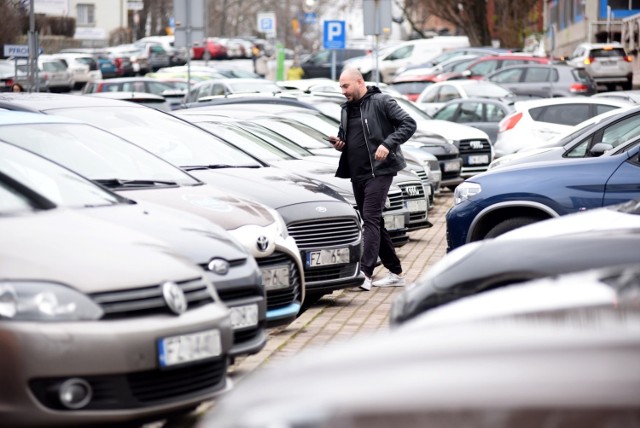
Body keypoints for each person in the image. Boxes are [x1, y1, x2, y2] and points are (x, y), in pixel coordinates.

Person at [329, 68, 417, 291]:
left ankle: (365, 274)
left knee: (369, 218)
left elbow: (409, 123)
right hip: (357, 173)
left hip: (379, 171)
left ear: (359, 82)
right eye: (341, 87)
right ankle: (396, 272)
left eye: (345, 86)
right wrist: (341, 144)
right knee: (374, 221)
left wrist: (388, 144)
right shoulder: (346, 110)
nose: (343, 91)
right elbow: (349, 139)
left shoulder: (381, 101)